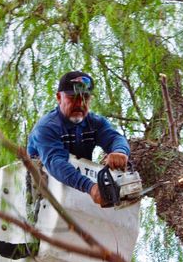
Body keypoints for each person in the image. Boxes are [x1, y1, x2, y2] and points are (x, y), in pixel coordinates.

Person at [27, 71, 130, 206]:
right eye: (73, 98)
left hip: (74, 192)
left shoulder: (95, 123)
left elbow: (114, 138)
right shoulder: (46, 127)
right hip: (40, 193)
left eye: (85, 98)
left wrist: (120, 151)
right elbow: (55, 162)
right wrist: (90, 187)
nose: (80, 103)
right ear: (59, 97)